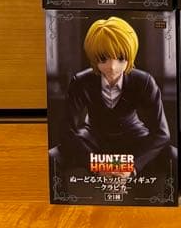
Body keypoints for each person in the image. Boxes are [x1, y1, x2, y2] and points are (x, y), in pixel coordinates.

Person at [50, 16, 173, 185]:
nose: (112, 67)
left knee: (174, 156)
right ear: (94, 58)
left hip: (134, 136)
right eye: (103, 59)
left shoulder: (144, 81)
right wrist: (96, 165)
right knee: (52, 156)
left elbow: (162, 133)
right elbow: (66, 130)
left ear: (130, 56)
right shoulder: (81, 81)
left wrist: (131, 167)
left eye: (121, 58)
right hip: (93, 137)